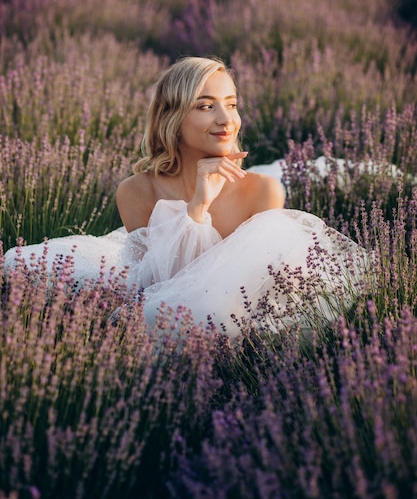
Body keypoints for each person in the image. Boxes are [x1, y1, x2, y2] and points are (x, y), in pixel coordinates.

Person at [4, 57, 370, 338]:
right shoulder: (137, 191)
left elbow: (247, 297)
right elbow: (162, 287)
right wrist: (197, 208)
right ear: (172, 117)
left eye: (232, 103)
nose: (227, 119)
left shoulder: (261, 191)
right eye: (205, 106)